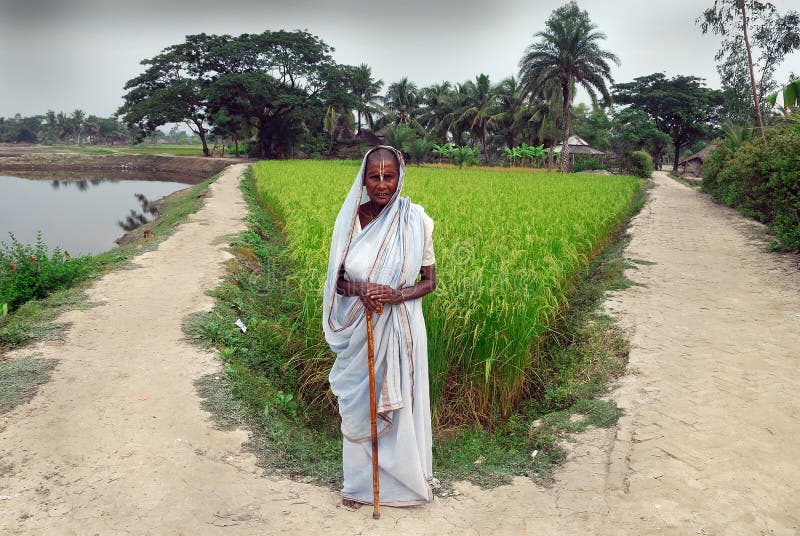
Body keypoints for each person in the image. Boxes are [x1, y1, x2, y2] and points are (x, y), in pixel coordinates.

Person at [323, 145, 438, 508]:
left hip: (403, 327)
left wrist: (395, 295)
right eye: (375, 176)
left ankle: (403, 482)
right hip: (362, 330)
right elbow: (337, 282)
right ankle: (358, 485)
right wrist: (363, 290)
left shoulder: (417, 220)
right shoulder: (351, 221)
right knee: (361, 403)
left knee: (400, 406)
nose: (383, 184)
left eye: (389, 176)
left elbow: (430, 280)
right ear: (364, 179)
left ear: (399, 177)